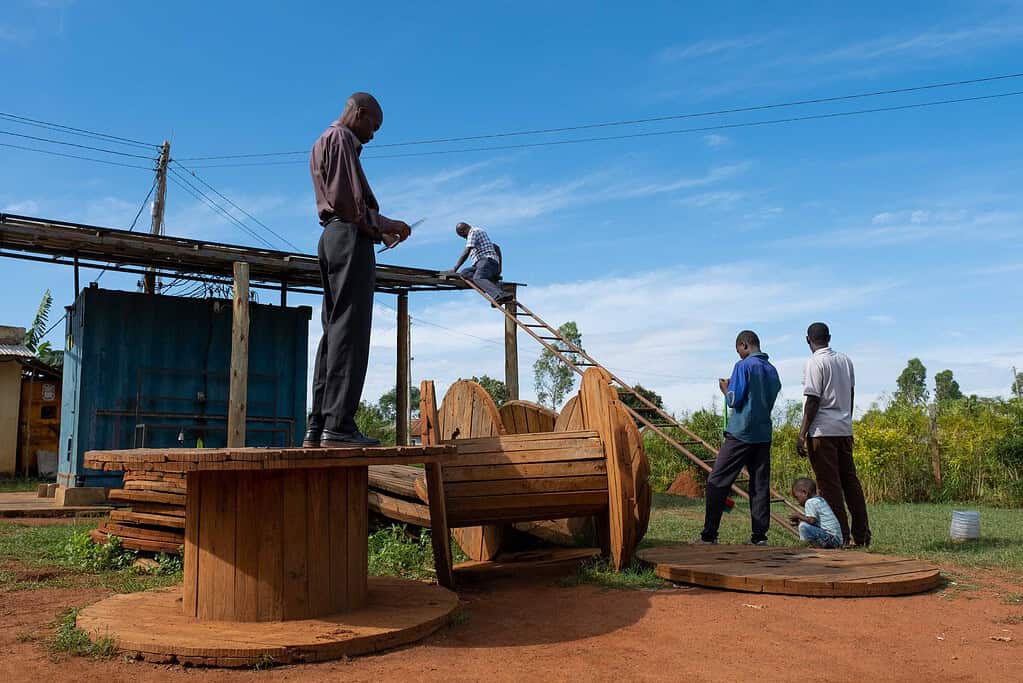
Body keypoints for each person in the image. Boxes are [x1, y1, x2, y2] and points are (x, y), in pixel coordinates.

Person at [305, 92, 411, 447]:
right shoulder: (341, 140)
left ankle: (318, 427)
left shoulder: (323, 141)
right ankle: (339, 426)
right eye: (374, 126)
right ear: (361, 114)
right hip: (348, 237)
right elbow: (351, 207)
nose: (373, 135)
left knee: (334, 331)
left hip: (334, 236)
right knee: (350, 330)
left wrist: (378, 230)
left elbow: (344, 207)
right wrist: (388, 224)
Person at [701, 330, 782, 545]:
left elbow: (734, 401)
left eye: (738, 349)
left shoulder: (743, 366)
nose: (738, 354)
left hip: (741, 433)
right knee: (759, 486)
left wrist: (726, 389)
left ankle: (709, 535)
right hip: (763, 434)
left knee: (717, 481)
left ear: (744, 345)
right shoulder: (772, 370)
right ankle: (759, 537)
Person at [797, 322, 871, 546]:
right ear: (829, 338)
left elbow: (813, 400)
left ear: (807, 340)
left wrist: (802, 433)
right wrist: (847, 419)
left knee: (830, 486)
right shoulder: (845, 360)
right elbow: (850, 393)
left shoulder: (814, 363)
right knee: (851, 483)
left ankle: (841, 536)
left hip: (822, 432)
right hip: (843, 428)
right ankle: (862, 535)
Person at [450, 222, 510, 303]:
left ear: (463, 231)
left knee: (478, 278)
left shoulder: (473, 232)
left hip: (487, 261)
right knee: (465, 273)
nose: (464, 238)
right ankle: (492, 286)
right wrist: (499, 267)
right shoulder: (479, 238)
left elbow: (467, 251)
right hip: (483, 265)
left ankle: (500, 294)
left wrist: (455, 268)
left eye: (463, 236)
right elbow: (497, 248)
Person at [789, 477, 843, 548]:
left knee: (803, 526)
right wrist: (800, 519)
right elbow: (815, 521)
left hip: (831, 538)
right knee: (803, 524)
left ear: (804, 493)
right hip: (837, 539)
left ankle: (805, 545)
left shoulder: (809, 502)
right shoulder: (819, 499)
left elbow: (812, 521)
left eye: (797, 498)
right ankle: (818, 545)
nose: (798, 501)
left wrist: (798, 516)